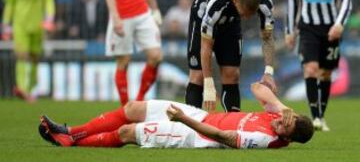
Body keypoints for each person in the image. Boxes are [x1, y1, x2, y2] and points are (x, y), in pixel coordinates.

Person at [38, 81, 314, 149]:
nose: (278, 123)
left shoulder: (266, 139)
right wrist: (281, 106)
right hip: (201, 116)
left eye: (283, 127)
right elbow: (256, 87)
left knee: (127, 133)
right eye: (283, 120)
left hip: (194, 132)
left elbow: (223, 136)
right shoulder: (279, 116)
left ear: (287, 139)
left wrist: (184, 120)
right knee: (133, 108)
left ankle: (71, 140)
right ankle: (71, 131)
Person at [285, 0, 352, 131]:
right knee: (310, 69)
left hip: (331, 29)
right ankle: (315, 118)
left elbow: (347, 0)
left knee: (325, 74)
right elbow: (292, 1)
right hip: (307, 28)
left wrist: (339, 23)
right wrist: (290, 30)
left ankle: (321, 115)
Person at [185, 0, 276, 112]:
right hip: (202, 18)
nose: (246, 18)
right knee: (197, 76)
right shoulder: (215, 6)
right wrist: (209, 84)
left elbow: (267, 38)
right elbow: (206, 46)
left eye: (250, 15)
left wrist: (268, 72)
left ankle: (233, 124)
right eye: (244, 14)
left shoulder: (265, 3)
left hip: (231, 21)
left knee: (232, 74)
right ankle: (190, 125)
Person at [1, 0, 55, 101]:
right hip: (20, 25)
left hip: (37, 25)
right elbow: (10, 3)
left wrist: (49, 18)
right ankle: (22, 88)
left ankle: (31, 87)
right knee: (21, 55)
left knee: (34, 57)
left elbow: (49, 0)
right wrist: (5, 23)